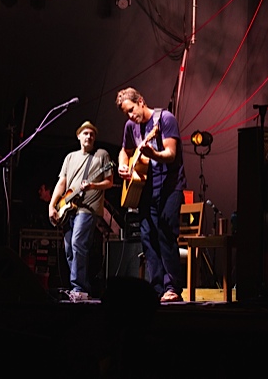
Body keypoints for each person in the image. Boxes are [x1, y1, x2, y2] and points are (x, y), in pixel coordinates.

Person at [115, 87, 187, 303]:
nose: (130, 116)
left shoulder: (165, 119)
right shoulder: (130, 126)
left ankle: (172, 287)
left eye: (131, 110)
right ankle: (156, 288)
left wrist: (153, 154)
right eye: (126, 113)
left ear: (141, 101)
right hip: (145, 188)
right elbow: (125, 150)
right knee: (147, 237)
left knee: (165, 233)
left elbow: (171, 154)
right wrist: (123, 165)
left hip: (169, 186)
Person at [49, 121, 114, 302]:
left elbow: (109, 182)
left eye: (92, 134)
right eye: (85, 133)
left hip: (87, 208)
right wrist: (52, 205)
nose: (89, 136)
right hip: (68, 208)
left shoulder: (101, 155)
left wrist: (93, 185)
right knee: (69, 248)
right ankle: (80, 288)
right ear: (78, 136)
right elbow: (62, 182)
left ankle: (79, 287)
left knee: (78, 243)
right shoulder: (70, 157)